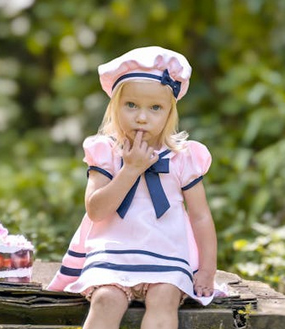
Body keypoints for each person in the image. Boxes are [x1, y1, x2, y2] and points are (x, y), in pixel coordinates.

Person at [47, 46, 222, 329]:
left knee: (164, 299)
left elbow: (200, 216)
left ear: (169, 113)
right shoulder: (106, 151)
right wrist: (130, 170)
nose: (142, 117)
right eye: (131, 105)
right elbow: (96, 210)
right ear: (115, 107)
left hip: (166, 253)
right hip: (113, 253)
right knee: (106, 299)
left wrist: (207, 270)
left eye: (155, 108)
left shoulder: (182, 157)